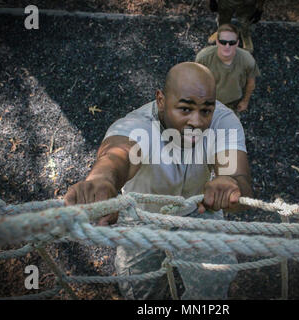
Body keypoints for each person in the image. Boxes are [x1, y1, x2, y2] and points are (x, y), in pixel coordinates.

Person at [64, 62, 254, 299]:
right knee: (139, 288)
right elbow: (118, 155)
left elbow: (239, 181)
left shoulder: (223, 120)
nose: (197, 121)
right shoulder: (138, 125)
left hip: (199, 209)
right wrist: (103, 180)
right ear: (161, 100)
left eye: (206, 110)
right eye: (185, 109)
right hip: (142, 216)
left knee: (214, 280)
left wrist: (231, 186)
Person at [196, 24, 260, 113]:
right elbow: (197, 81)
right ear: (217, 41)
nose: (227, 46)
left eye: (232, 43)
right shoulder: (203, 58)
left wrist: (245, 101)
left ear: (237, 43)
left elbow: (251, 83)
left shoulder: (247, 59)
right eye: (223, 42)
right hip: (210, 101)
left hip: (233, 102)